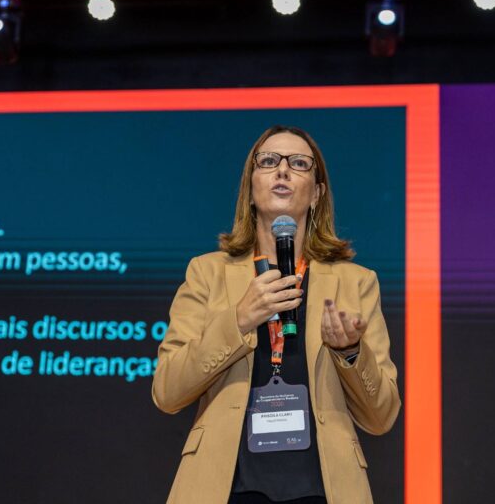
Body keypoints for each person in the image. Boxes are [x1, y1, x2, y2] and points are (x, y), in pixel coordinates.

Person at [152, 125, 401, 504]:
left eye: (299, 163)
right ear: (250, 188)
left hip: (324, 491)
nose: (282, 170)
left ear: (316, 194)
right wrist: (238, 320)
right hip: (225, 490)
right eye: (268, 161)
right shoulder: (207, 272)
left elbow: (381, 417)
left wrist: (351, 353)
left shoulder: (356, 281)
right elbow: (167, 392)